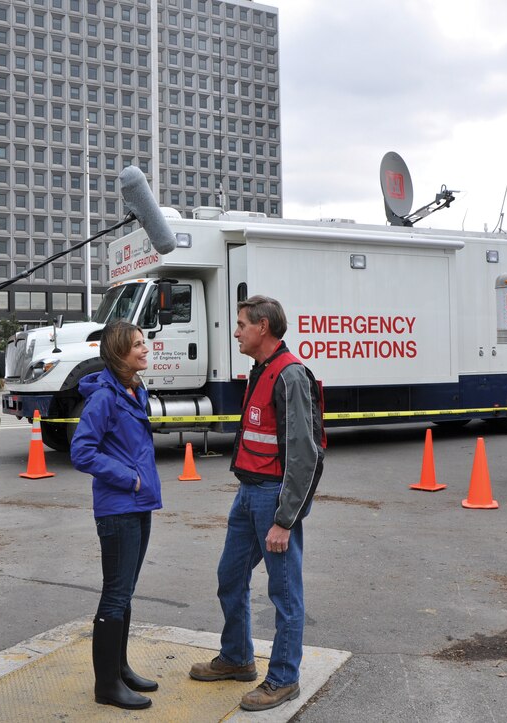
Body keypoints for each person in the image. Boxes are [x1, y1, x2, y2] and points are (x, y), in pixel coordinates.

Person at [189, 295, 326, 712]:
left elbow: (305, 455)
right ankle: (237, 658)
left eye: (242, 324)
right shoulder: (261, 370)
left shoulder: (290, 376)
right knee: (229, 577)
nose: (236, 332)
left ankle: (283, 679)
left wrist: (285, 519)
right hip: (248, 493)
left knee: (284, 593)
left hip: (272, 498)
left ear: (263, 328)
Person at [70, 321, 163, 710]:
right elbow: (82, 451)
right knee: (114, 594)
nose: (145, 349)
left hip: (137, 504)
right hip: (119, 506)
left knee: (124, 593)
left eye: (144, 342)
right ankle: (106, 685)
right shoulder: (104, 398)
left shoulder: (133, 389)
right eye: (137, 345)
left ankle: (120, 669)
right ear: (118, 353)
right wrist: (131, 480)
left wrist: (140, 486)